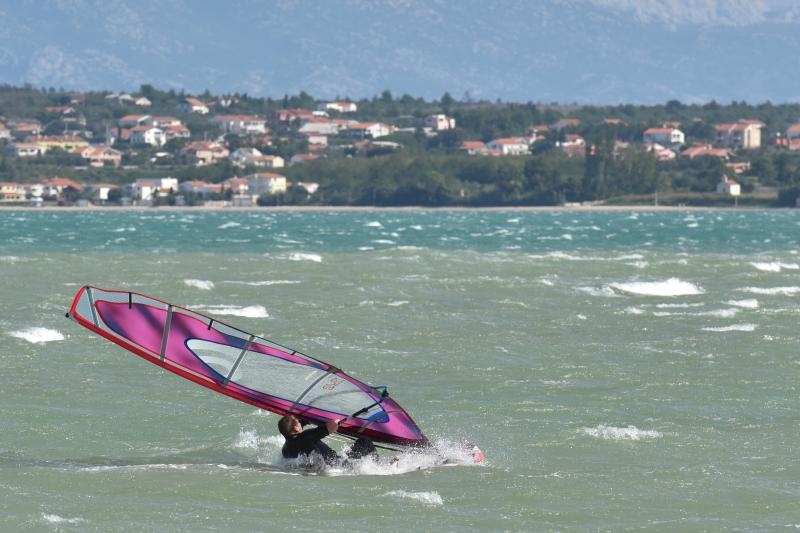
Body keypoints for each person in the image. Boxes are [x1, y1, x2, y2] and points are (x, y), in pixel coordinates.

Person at [278, 414, 377, 465]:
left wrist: (304, 421)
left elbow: (299, 428)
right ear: (296, 428)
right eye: (298, 421)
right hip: (339, 465)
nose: (300, 422)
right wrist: (339, 419)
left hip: (328, 466)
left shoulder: (286, 449)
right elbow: (332, 426)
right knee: (364, 441)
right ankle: (378, 467)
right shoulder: (306, 436)